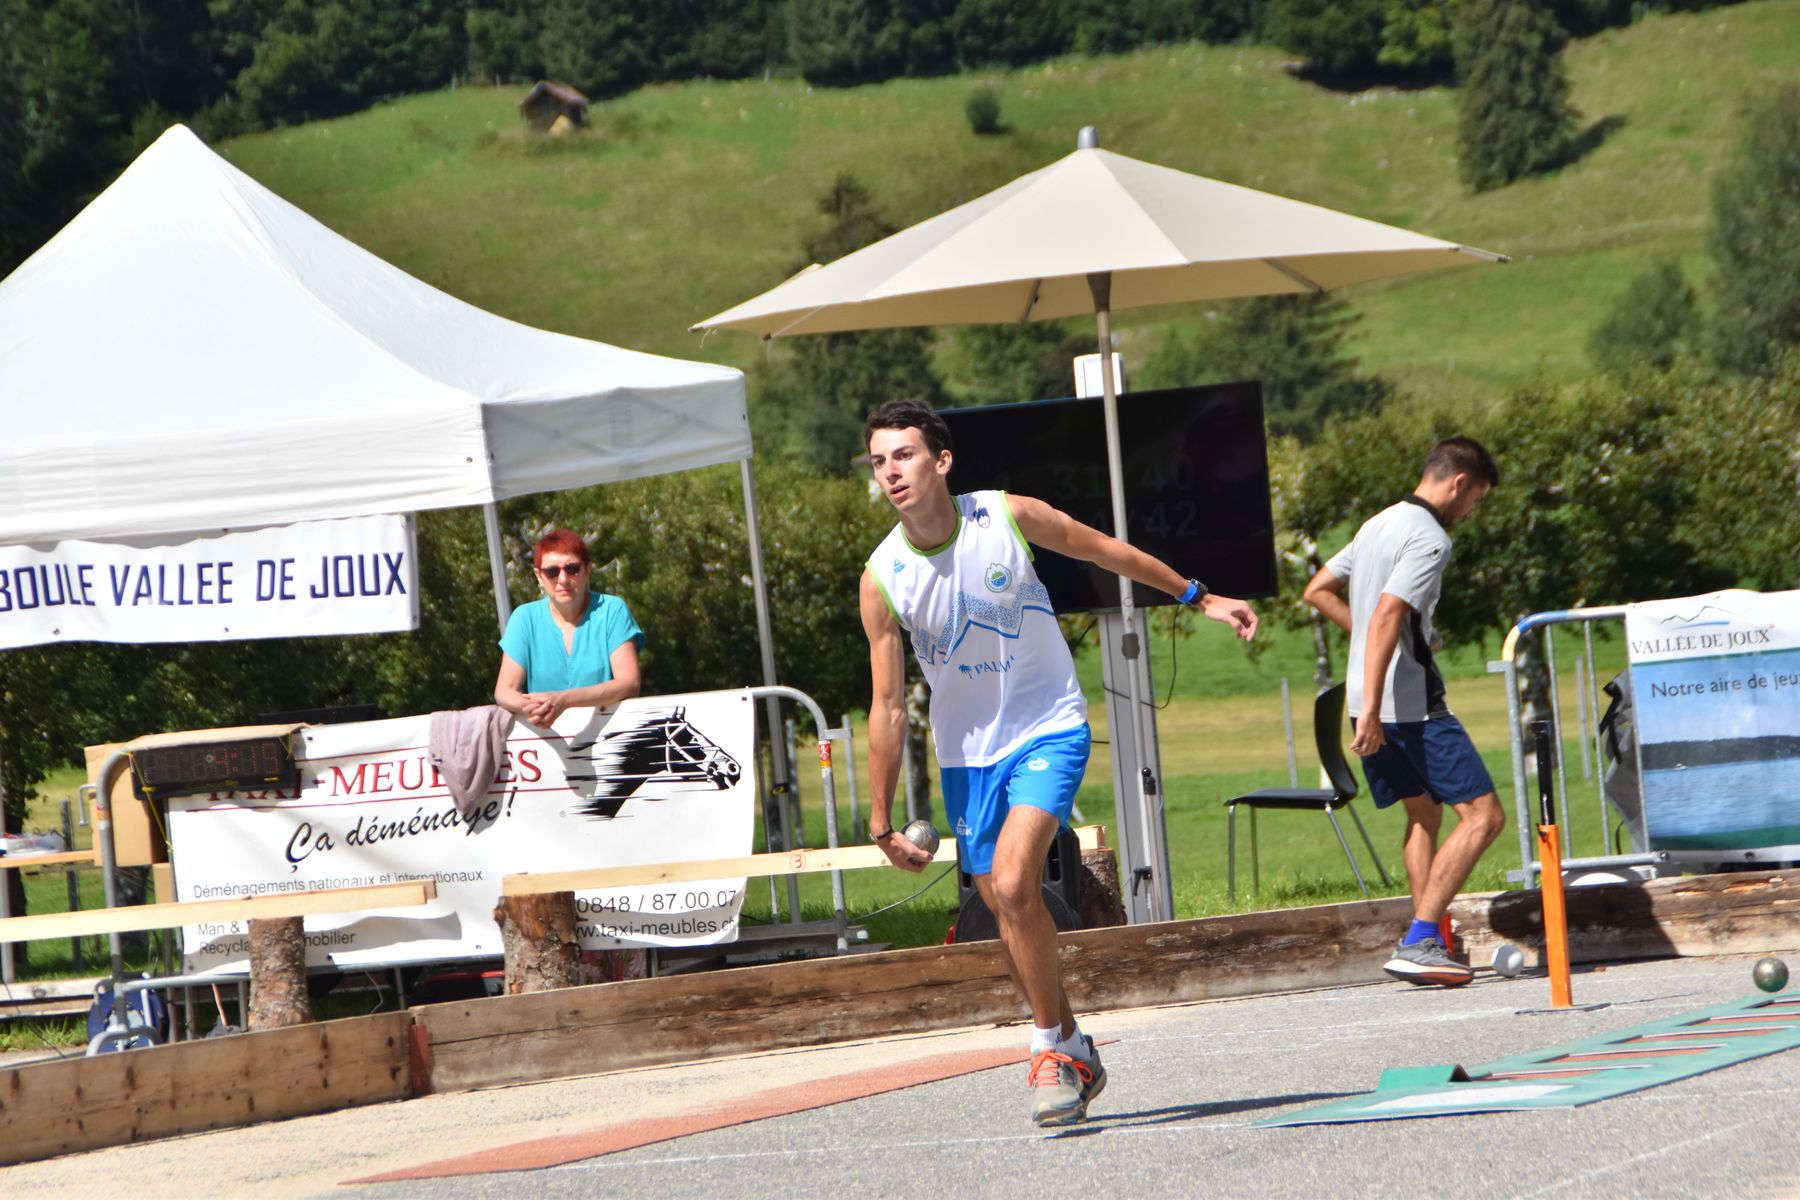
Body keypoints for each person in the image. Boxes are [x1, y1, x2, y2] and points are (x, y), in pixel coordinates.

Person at [858, 400, 1258, 1127]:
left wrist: (1195, 594)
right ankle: (1073, 1044)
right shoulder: (883, 576)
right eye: (880, 460)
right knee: (1004, 909)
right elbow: (886, 706)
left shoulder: (1006, 517)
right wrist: (880, 820)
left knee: (1016, 882)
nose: (891, 471)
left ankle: (1046, 1049)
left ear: (941, 461)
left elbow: (1101, 549)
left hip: (1048, 727)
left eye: (904, 455)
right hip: (967, 757)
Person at [1302, 436, 1504, 987]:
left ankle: (1430, 943)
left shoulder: (1378, 524)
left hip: (1368, 704)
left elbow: (1318, 590)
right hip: (1410, 708)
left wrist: (1370, 688)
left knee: (1423, 815)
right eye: (1476, 499)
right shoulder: (1431, 538)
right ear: (1459, 483)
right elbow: (1389, 614)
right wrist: (1374, 701)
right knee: (1483, 817)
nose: (1472, 511)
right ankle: (1419, 939)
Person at [494, 529, 644, 726]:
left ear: (588, 570)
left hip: (609, 734)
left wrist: (564, 700)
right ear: (539, 576)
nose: (563, 579)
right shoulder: (524, 618)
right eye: (552, 572)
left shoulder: (612, 610)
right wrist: (539, 707)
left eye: (572, 569)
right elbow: (504, 691)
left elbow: (629, 683)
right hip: (545, 735)